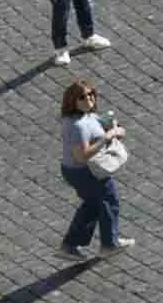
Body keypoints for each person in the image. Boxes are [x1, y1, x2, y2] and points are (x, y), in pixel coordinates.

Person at [56, 72, 131, 265]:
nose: (88, 98)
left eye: (91, 94)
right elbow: (81, 155)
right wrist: (108, 137)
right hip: (85, 172)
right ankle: (109, 245)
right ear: (73, 101)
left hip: (79, 171)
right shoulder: (76, 126)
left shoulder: (87, 116)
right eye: (82, 96)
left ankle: (70, 246)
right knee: (108, 200)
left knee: (92, 206)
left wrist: (112, 129)